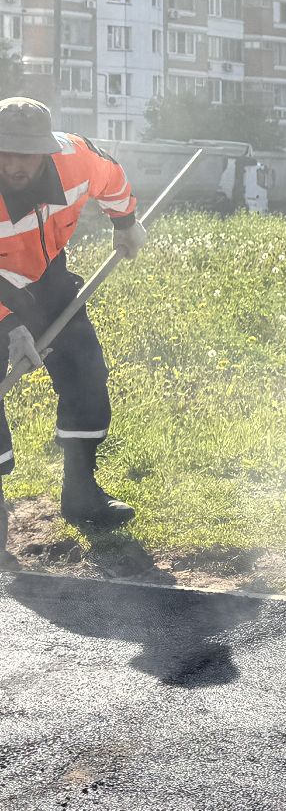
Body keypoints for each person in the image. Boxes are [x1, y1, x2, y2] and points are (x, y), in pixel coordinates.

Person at [0, 97, 145, 530]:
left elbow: (112, 177)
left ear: (47, 150)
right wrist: (10, 324)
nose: (12, 164)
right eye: (3, 151)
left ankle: (82, 493)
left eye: (24, 152)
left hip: (47, 276)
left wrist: (125, 222)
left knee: (85, 368)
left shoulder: (76, 159)